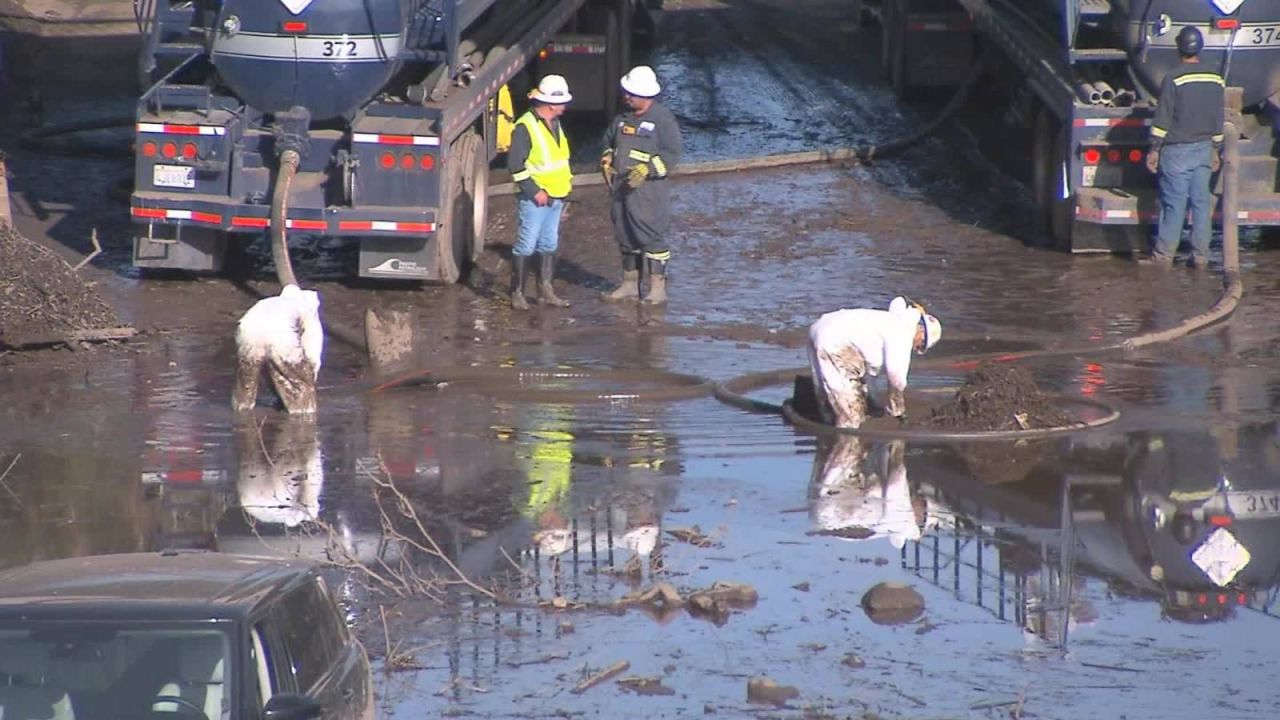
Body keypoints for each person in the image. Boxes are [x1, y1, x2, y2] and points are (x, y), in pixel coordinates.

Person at [600, 65, 683, 305]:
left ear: (646, 95)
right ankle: (629, 284)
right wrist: (607, 156)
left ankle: (657, 289)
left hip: (648, 192)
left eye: (631, 94)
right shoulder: (621, 119)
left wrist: (648, 170)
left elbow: (672, 153)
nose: (627, 97)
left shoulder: (662, 120)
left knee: (651, 235)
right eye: (626, 92)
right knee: (625, 234)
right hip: (621, 189)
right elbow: (608, 139)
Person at [1144, 25, 1225, 268]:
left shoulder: (1174, 78)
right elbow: (1217, 116)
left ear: (1179, 48)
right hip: (1203, 148)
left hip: (1177, 151)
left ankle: (1164, 256)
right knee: (1201, 203)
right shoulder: (1215, 78)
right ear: (1200, 47)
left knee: (1174, 204)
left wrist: (1154, 149)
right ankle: (1200, 256)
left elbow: (1163, 117)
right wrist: (1216, 149)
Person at [807, 296, 941, 429]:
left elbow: (869, 377)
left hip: (821, 326)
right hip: (834, 342)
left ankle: (824, 436)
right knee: (851, 419)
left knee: (827, 403)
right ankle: (845, 442)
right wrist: (898, 410)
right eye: (920, 346)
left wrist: (875, 404)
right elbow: (896, 378)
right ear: (921, 333)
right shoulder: (903, 333)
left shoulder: (892, 319)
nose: (916, 349)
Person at [508, 75, 574, 310]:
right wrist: (534, 191)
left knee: (548, 243)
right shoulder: (525, 127)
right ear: (550, 104)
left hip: (556, 195)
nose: (565, 105)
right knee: (526, 244)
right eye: (562, 101)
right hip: (535, 199)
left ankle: (546, 290)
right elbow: (516, 165)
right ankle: (517, 293)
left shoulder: (554, 123)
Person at [231, 284, 324, 414]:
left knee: (246, 386)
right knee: (300, 391)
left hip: (247, 331)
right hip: (281, 335)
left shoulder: (266, 303)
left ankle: (242, 420)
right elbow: (312, 352)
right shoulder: (306, 308)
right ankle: (302, 422)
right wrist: (308, 379)